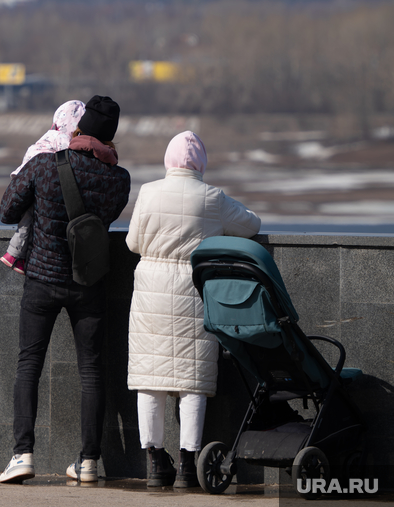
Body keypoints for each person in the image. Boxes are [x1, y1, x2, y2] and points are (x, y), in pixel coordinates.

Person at [0, 96, 131, 483]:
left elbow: (7, 210)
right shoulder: (118, 180)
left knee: (29, 365)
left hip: (41, 278)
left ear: (79, 126)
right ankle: (89, 462)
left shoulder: (44, 165)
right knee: (92, 371)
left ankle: (22, 455)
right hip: (88, 284)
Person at [125, 131, 261, 488]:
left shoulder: (149, 192)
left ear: (168, 161)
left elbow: (132, 242)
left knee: (149, 380)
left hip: (150, 291)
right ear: (201, 163)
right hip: (193, 290)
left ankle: (154, 461)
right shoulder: (212, 198)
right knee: (193, 380)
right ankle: (189, 464)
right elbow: (251, 225)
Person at [0, 100, 86, 275]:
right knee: (29, 220)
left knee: (26, 222)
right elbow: (70, 162)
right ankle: (14, 254)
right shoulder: (62, 139)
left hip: (25, 177)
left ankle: (15, 255)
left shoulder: (48, 135)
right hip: (38, 181)